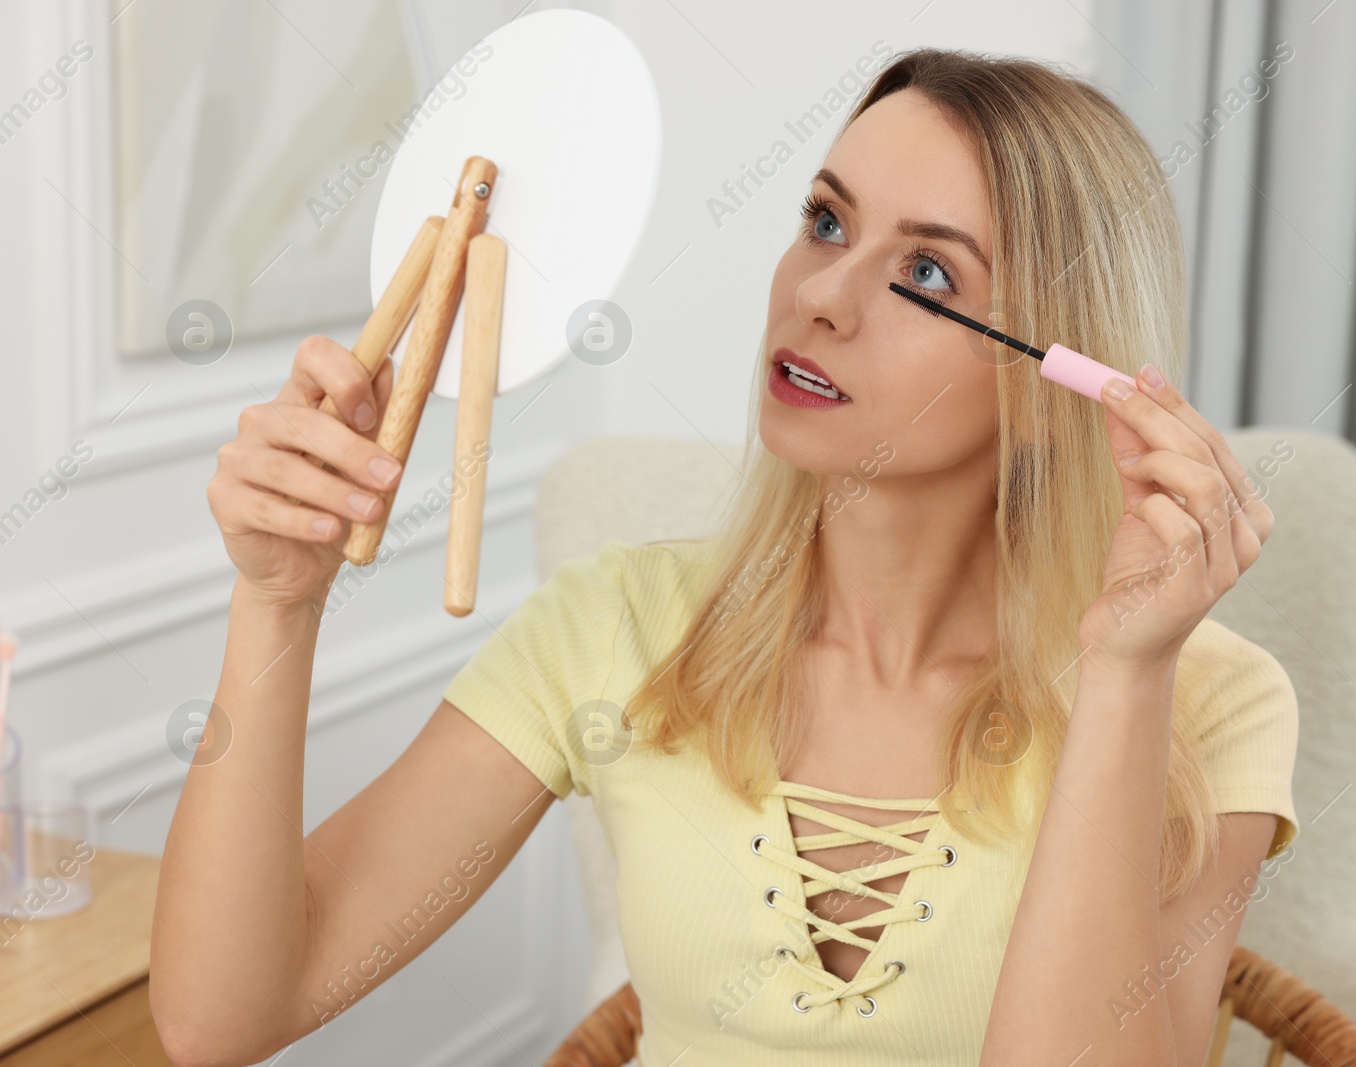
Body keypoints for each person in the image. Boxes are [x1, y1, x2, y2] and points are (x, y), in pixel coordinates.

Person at [151, 46, 1298, 1067]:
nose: (820, 296)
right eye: (825, 221)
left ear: (1059, 390)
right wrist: (274, 603)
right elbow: (220, 1022)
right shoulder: (615, 626)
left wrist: (1123, 675)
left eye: (928, 274)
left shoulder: (1205, 699)